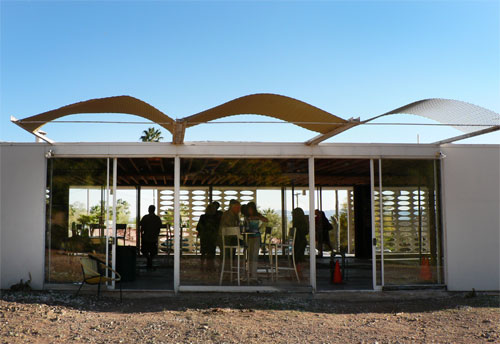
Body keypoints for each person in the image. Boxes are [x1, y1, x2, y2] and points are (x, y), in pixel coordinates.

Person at [245, 202, 268, 281]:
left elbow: (266, 220)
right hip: (249, 237)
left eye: (250, 209)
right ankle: (249, 273)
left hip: (256, 237)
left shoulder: (258, 215)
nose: (249, 211)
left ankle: (253, 274)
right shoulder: (247, 217)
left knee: (254, 255)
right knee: (249, 255)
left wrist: (257, 218)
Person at [196, 204, 220, 272]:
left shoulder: (203, 217)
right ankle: (210, 267)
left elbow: (198, 227)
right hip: (212, 237)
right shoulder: (216, 218)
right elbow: (217, 228)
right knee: (211, 253)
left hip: (204, 237)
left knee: (203, 252)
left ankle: (202, 266)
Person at [140, 205, 162, 270]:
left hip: (146, 238)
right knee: (153, 252)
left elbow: (141, 227)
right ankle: (150, 260)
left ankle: (149, 260)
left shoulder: (145, 217)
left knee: (144, 251)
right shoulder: (157, 218)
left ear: (148, 210)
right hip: (153, 238)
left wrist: (142, 235)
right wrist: (156, 235)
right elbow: (159, 228)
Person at [292, 207, 308, 279]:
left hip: (299, 241)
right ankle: (298, 273)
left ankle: (298, 274)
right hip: (301, 241)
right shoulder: (304, 222)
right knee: (299, 258)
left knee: (297, 257)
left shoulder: (297, 223)